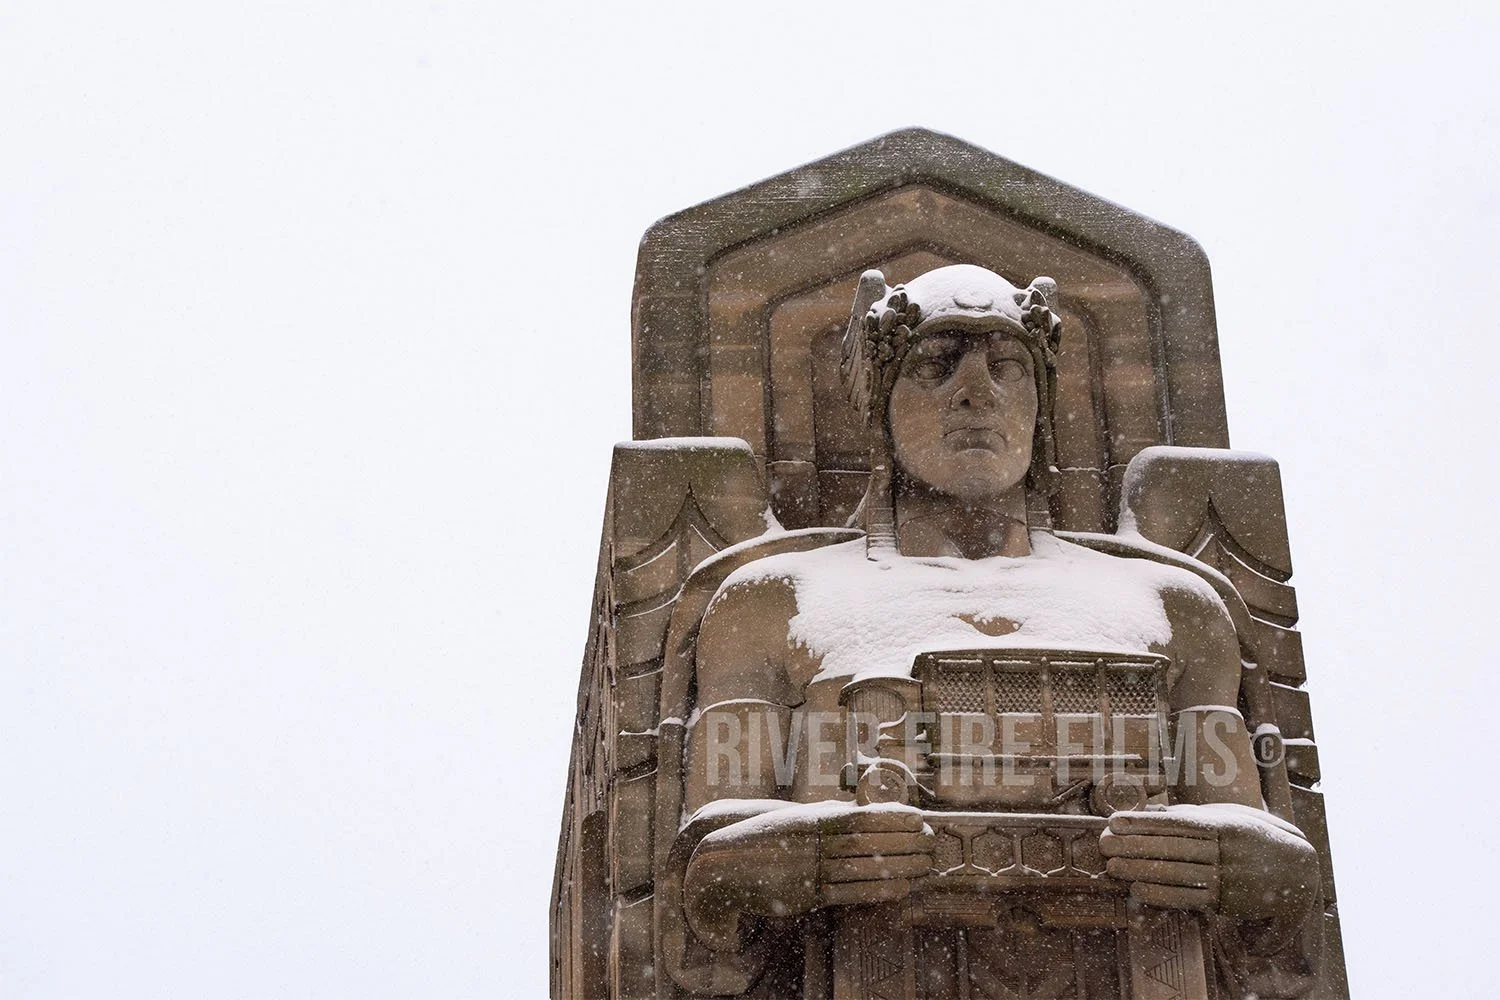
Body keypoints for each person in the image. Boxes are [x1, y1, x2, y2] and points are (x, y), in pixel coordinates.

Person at [665, 264, 1322, 999]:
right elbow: (706, 869)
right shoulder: (774, 602)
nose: (976, 390)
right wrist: (810, 855)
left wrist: (1226, 862)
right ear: (880, 405)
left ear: (1042, 408)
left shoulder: (1174, 607)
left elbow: (1282, 872)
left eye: (1008, 365)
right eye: (936, 365)